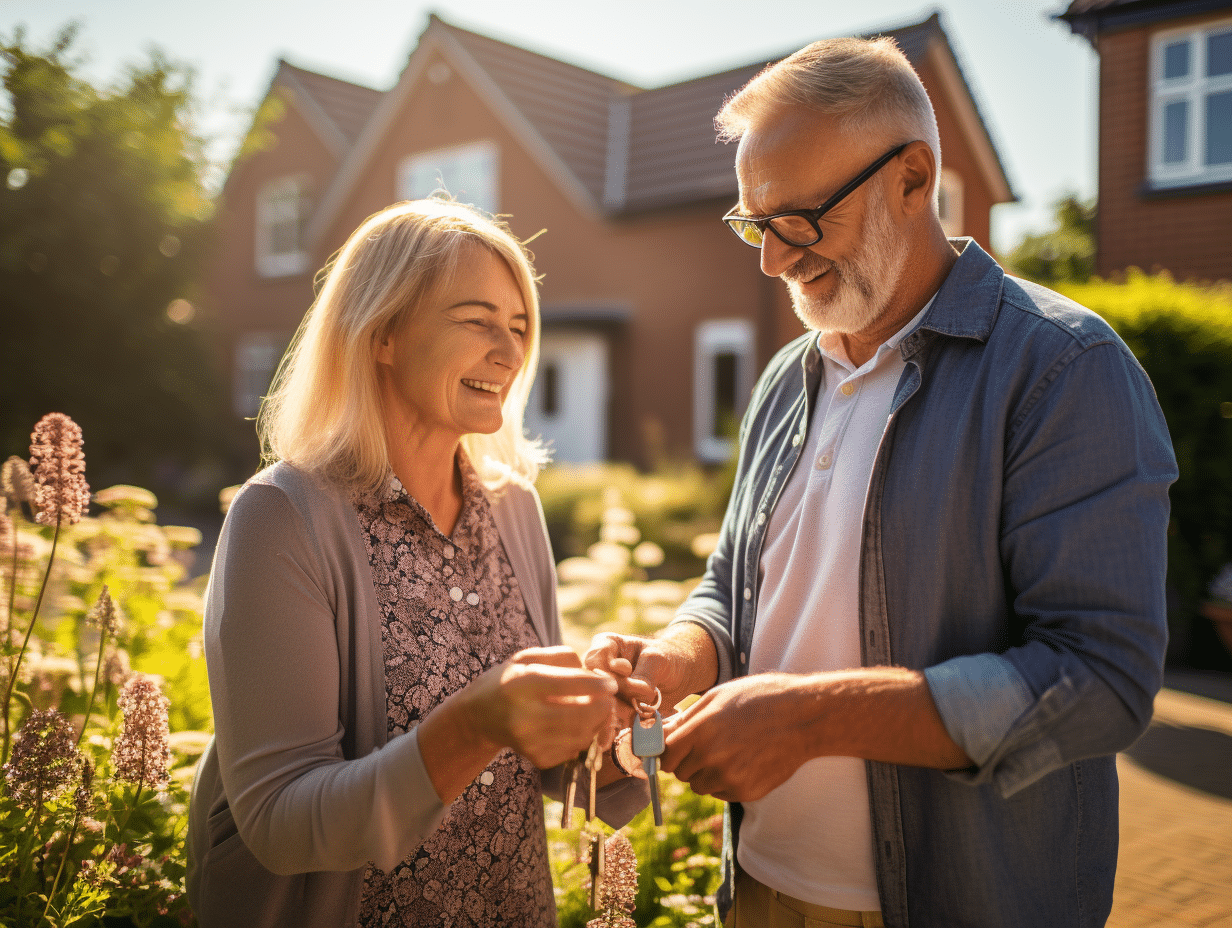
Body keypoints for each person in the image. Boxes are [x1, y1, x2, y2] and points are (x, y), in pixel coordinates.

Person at [587, 36, 1177, 928]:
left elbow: (1101, 680)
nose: (772, 262)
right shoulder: (788, 378)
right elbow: (739, 586)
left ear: (913, 178)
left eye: (799, 217)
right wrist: (676, 659)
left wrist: (813, 719)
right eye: (754, 222)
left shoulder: (1064, 369)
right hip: (756, 888)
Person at [187, 199, 645, 928]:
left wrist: (622, 726)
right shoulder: (282, 517)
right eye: (477, 320)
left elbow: (545, 764)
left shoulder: (515, 509)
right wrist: (474, 724)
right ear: (383, 334)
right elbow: (277, 820)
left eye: (520, 327)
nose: (510, 351)